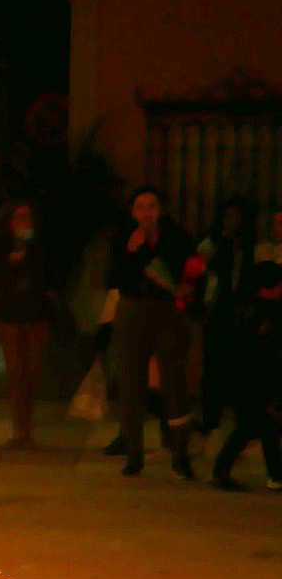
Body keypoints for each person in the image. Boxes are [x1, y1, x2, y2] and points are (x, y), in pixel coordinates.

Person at [108, 185, 198, 478]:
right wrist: (132, 252)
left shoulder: (177, 236)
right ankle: (134, 454)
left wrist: (186, 286)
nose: (146, 212)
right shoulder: (122, 237)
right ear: (132, 211)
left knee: (174, 384)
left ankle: (180, 454)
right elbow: (116, 277)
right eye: (140, 206)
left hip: (167, 314)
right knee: (131, 383)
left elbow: (187, 269)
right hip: (133, 311)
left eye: (152, 206)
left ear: (161, 210)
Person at [211, 260, 282, 492]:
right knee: (250, 426)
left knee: (264, 427)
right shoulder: (269, 312)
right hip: (257, 378)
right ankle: (222, 469)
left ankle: (275, 474)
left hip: (239, 377)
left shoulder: (240, 308)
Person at [0, 199, 54, 449]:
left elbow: (47, 277)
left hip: (35, 317)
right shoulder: (1, 246)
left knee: (32, 374)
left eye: (27, 217)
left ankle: (28, 427)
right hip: (11, 317)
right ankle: (19, 429)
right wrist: (10, 264)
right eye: (18, 217)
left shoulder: (40, 247)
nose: (23, 223)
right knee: (16, 373)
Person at [193, 197, 256, 439]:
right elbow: (194, 272)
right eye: (229, 217)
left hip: (240, 312)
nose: (233, 222)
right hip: (217, 312)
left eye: (237, 217)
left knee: (240, 368)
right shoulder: (212, 244)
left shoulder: (247, 245)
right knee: (213, 369)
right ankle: (211, 418)